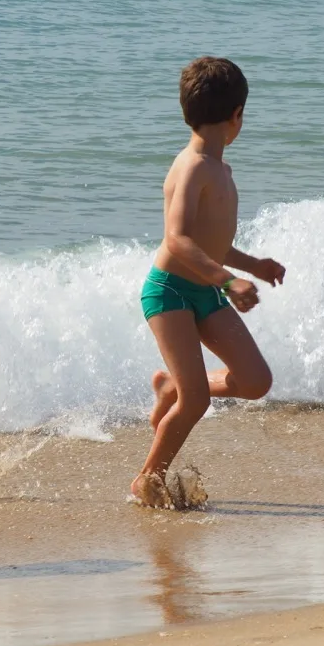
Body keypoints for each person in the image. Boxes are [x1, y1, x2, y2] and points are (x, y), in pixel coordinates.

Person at [133, 57, 286, 508]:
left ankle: (170, 387)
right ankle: (148, 479)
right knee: (197, 400)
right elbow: (177, 240)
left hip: (205, 288)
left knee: (255, 381)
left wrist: (253, 264)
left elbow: (211, 242)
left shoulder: (223, 170)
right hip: (170, 293)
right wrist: (228, 280)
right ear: (238, 114)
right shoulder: (193, 166)